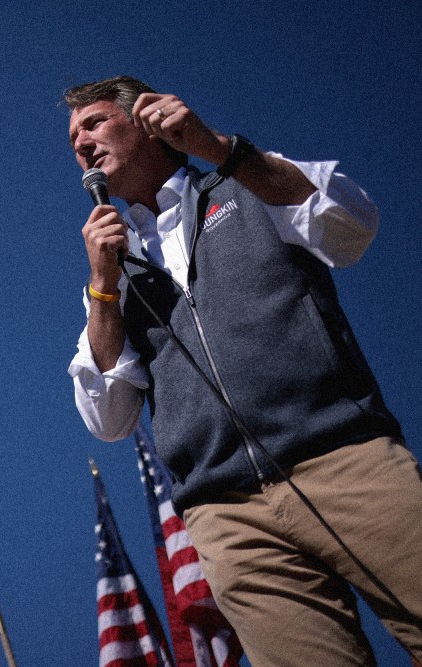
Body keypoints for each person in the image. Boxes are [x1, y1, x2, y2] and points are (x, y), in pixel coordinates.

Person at [65, 75, 422, 666]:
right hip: (226, 516)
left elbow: (351, 222)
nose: (80, 143)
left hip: (345, 462)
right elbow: (109, 418)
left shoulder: (245, 181)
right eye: (73, 136)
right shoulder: (111, 266)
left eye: (95, 123)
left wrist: (220, 148)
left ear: (148, 119)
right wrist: (103, 287)